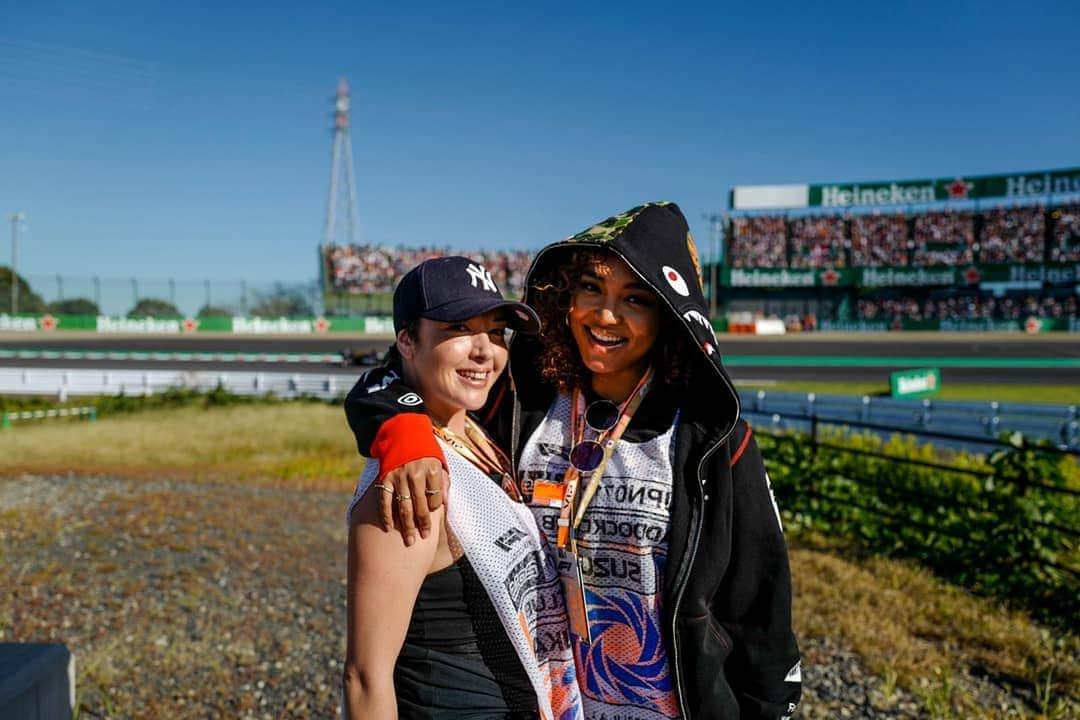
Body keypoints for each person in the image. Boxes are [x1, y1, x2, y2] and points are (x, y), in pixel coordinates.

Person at [345, 204, 802, 719]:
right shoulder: (523, 400)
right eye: (591, 289)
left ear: (667, 315)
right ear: (565, 296)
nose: (606, 316)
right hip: (558, 705)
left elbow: (761, 609)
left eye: (635, 299)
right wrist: (404, 431)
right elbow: (394, 377)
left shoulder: (708, 435)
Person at [342, 256, 583, 720]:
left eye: (495, 333)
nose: (484, 351)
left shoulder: (478, 433)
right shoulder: (408, 481)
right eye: (459, 330)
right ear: (407, 341)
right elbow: (364, 678)